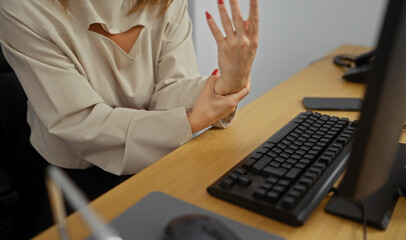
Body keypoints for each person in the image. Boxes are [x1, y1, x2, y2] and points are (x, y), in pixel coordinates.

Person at [0, 0, 258, 238]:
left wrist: (222, 87)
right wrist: (188, 123)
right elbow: (82, 122)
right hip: (69, 170)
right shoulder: (24, 7)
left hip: (153, 151)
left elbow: (171, 88)